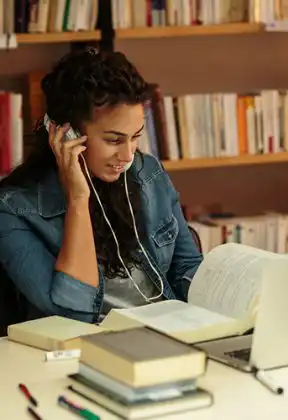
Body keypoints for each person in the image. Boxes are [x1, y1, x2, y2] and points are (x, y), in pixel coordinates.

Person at [0, 48, 203, 324]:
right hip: (87, 349)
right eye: (113, 140)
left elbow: (186, 268)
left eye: (135, 137)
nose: (128, 155)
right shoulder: (14, 209)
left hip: (170, 332)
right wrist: (78, 200)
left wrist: (232, 296)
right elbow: (72, 315)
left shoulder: (148, 175)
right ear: (65, 134)